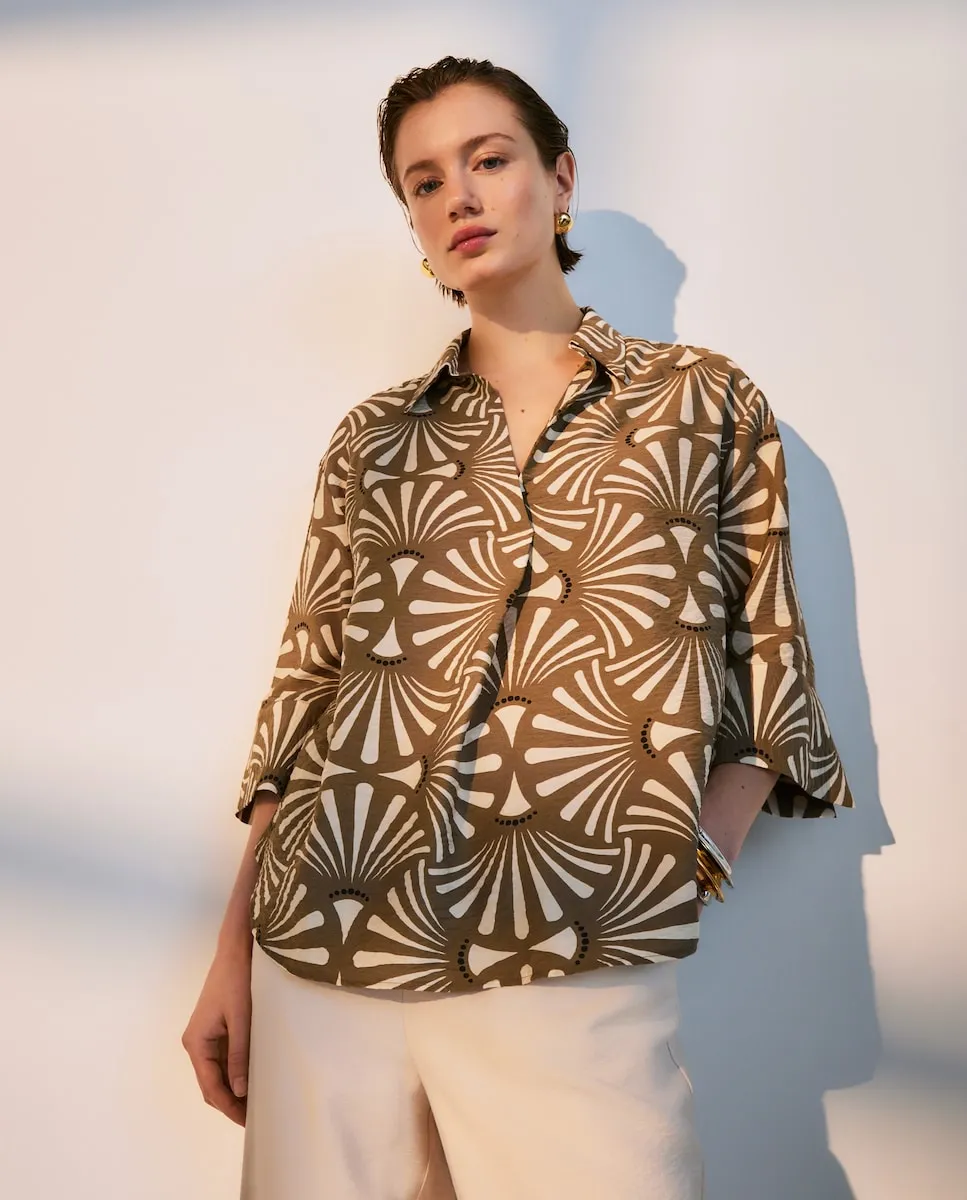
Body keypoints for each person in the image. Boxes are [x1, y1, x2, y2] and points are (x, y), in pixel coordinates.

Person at [182, 55, 854, 1200]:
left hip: (573, 930)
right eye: (424, 181)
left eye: (488, 160)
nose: (459, 195)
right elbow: (307, 694)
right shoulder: (372, 439)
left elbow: (767, 667)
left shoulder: (699, 401)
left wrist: (686, 860)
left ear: (559, 178)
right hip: (328, 932)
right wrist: (230, 953)